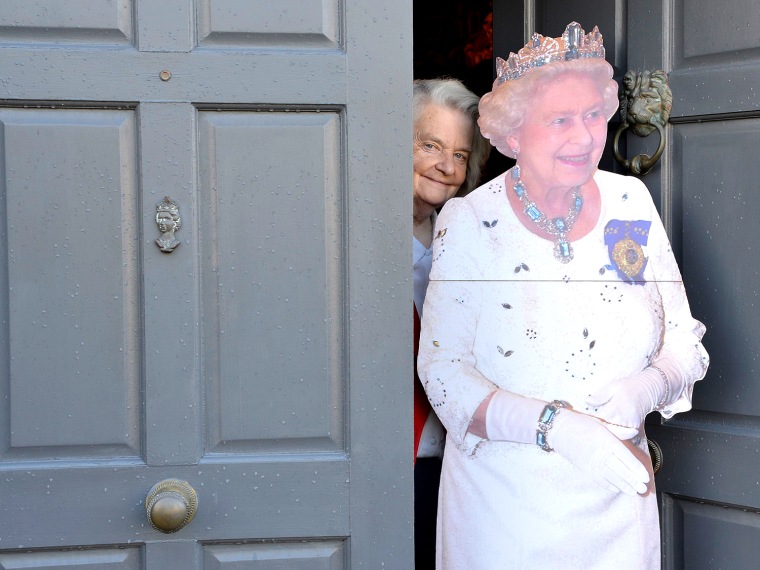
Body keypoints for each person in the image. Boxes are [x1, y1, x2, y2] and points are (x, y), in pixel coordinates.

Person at [417, 23, 709, 569]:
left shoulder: (629, 203)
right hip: (504, 512)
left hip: (617, 504)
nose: (583, 137)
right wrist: (560, 427)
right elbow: (444, 374)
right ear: (515, 130)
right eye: (559, 120)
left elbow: (682, 339)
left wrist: (648, 387)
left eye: (592, 116)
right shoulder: (472, 221)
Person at [412, 78, 490, 569]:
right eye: (430, 146)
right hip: (392, 459)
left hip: (461, 464)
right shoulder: (350, 229)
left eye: (461, 155)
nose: (447, 166)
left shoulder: (465, 236)